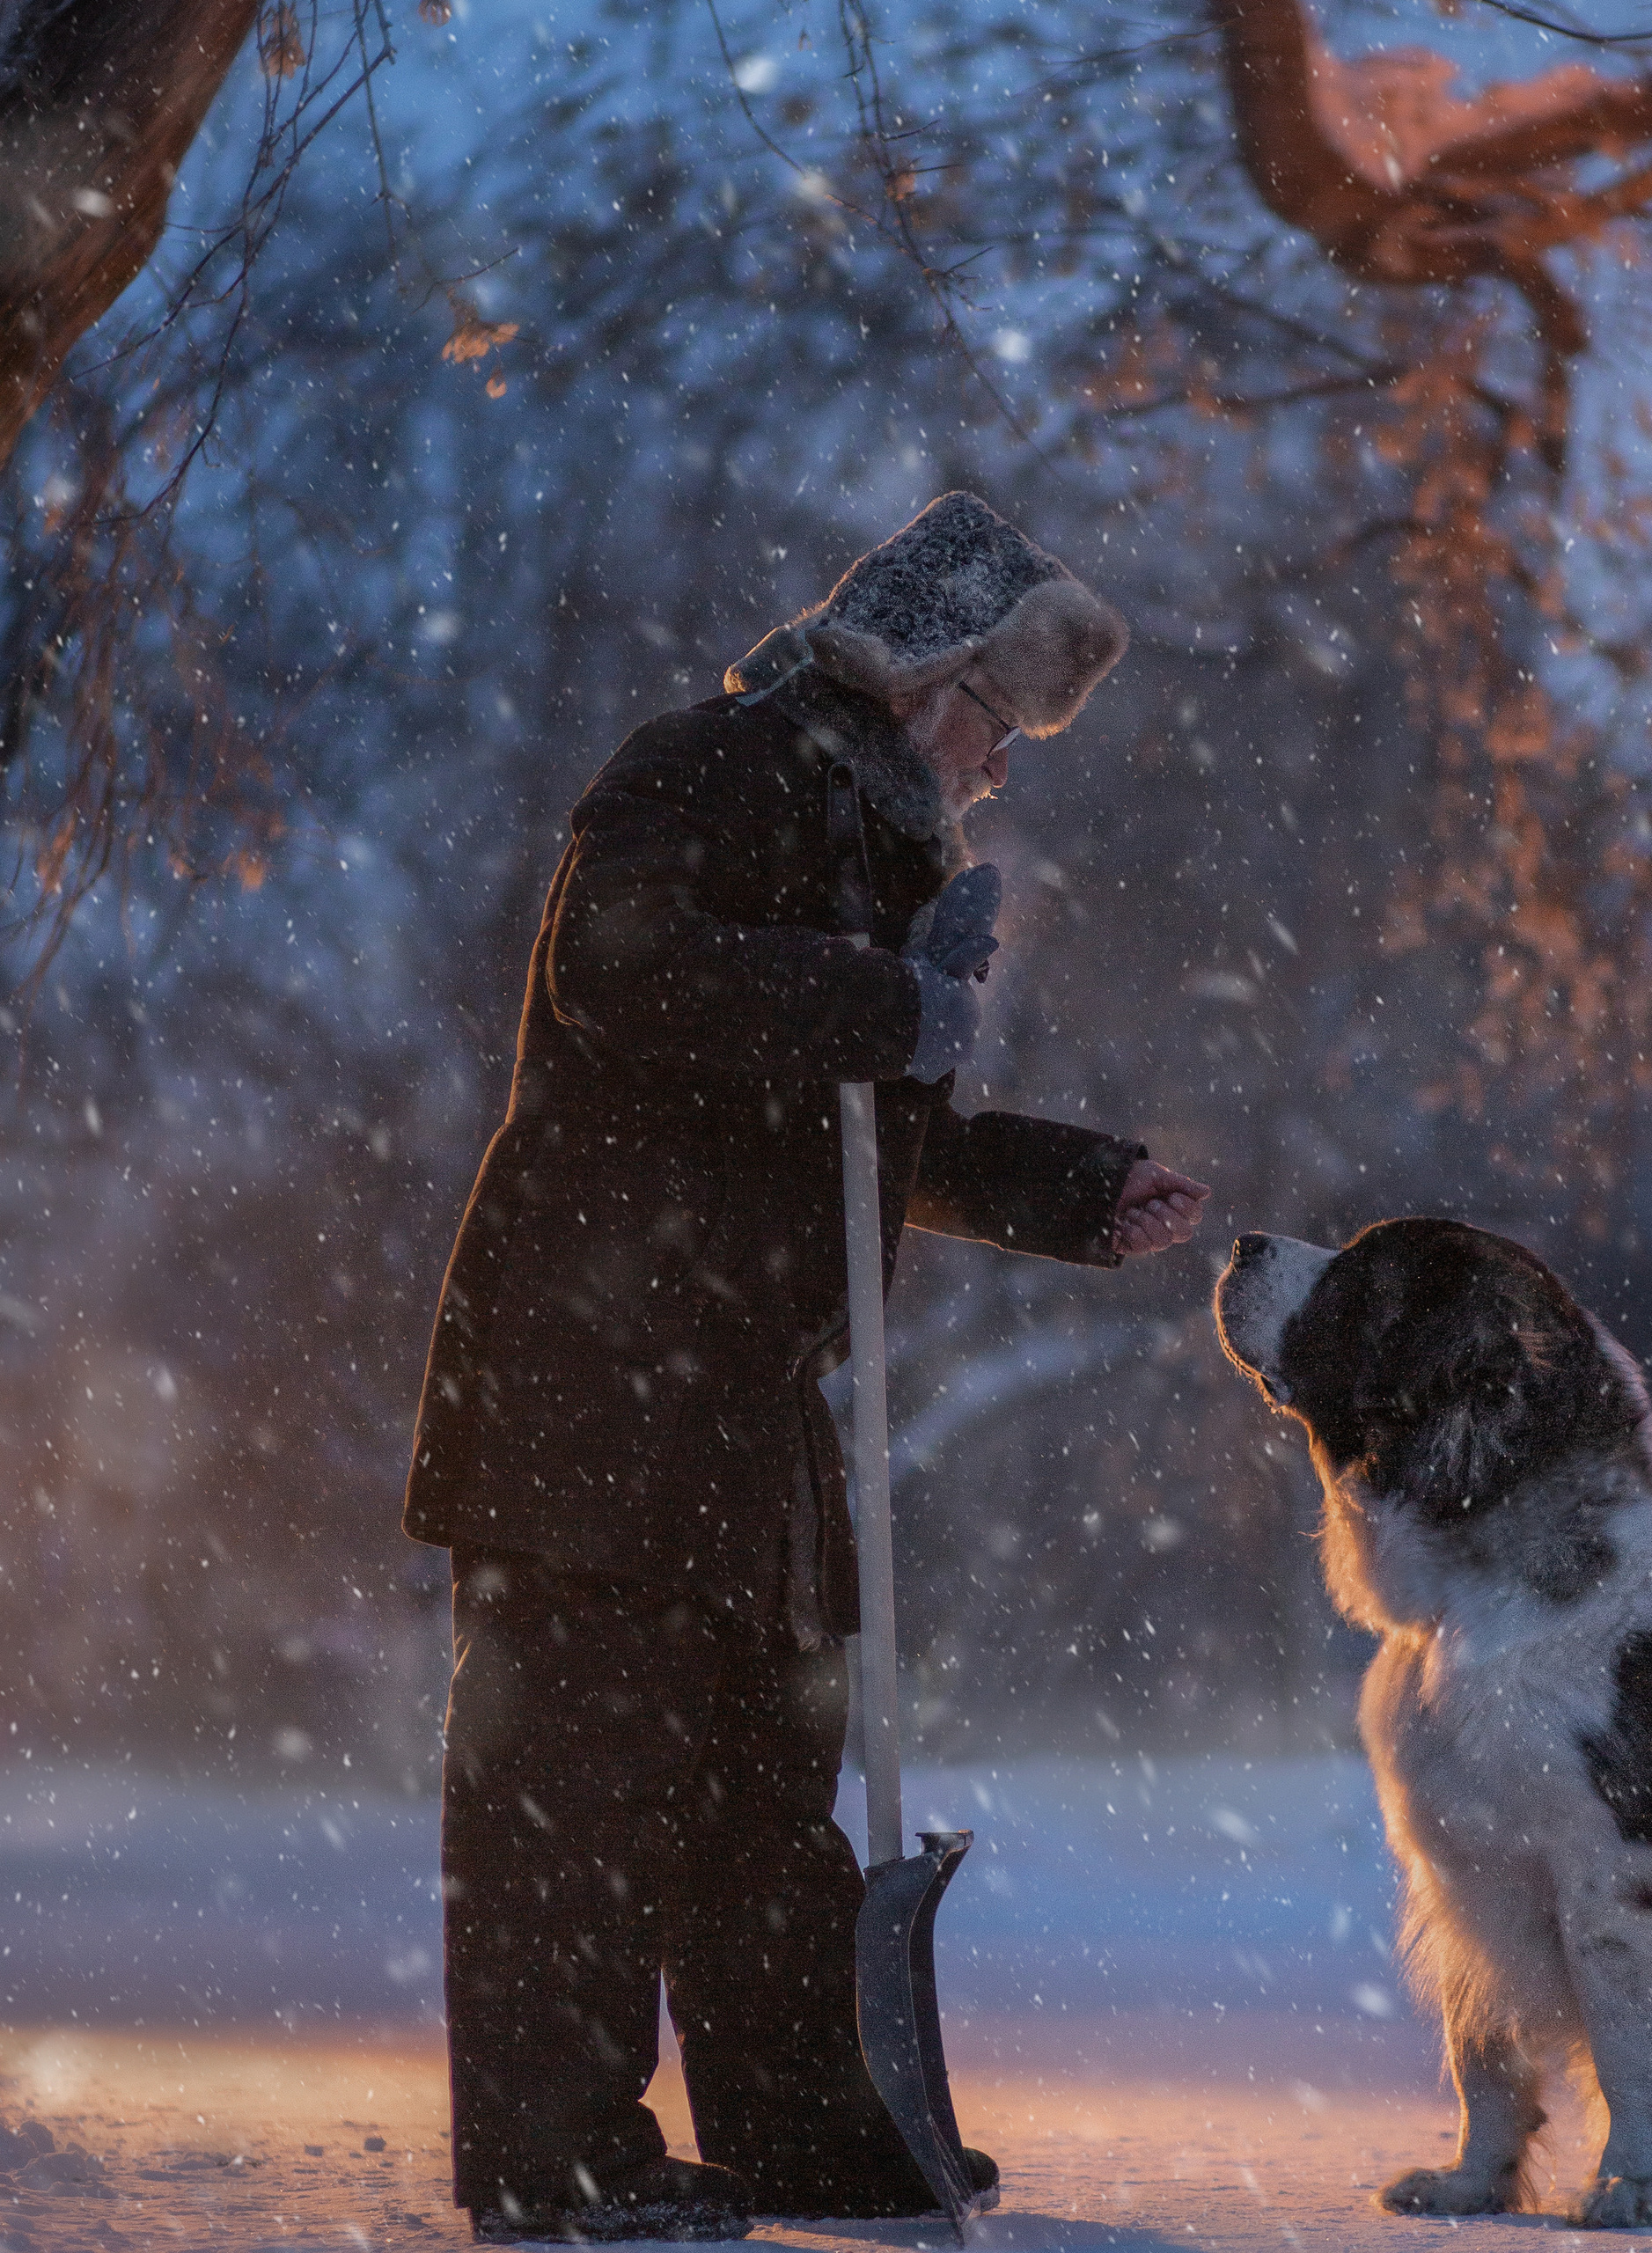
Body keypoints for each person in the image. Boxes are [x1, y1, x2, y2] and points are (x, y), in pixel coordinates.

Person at [400, 494, 1211, 2241]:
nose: (1003, 763)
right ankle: (557, 2160)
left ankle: (800, 2124)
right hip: (592, 1378)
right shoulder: (705, 763)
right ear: (925, 678)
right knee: (579, 1785)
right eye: (1002, 718)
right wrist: (875, 999)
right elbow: (620, 974)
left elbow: (873, 1144)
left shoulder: (885, 854)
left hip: (738, 1401)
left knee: (764, 1785)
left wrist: (1079, 1188)